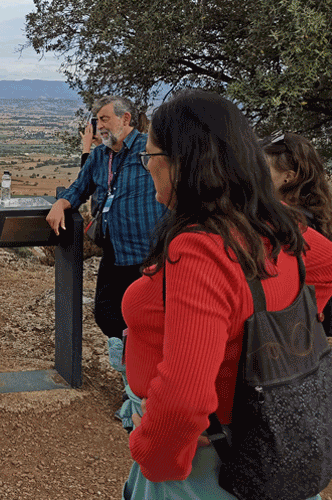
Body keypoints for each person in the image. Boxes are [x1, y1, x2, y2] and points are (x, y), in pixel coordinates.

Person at [121, 89, 332, 499]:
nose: (147, 168)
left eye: (150, 156)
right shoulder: (275, 226)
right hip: (271, 442)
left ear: (183, 162)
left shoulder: (201, 248)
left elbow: (184, 397)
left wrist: (153, 454)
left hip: (208, 464)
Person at [46, 96, 167, 371]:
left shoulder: (151, 149)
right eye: (97, 120)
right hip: (115, 252)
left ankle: (138, 386)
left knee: (147, 321)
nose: (99, 126)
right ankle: (131, 373)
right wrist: (62, 202)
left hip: (150, 254)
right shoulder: (100, 156)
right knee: (106, 314)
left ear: (125, 119)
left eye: (104, 119)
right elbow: (79, 188)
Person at [261, 132, 332, 334]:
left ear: (288, 177)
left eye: (263, 169)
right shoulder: (315, 215)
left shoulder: (288, 222)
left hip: (298, 336)